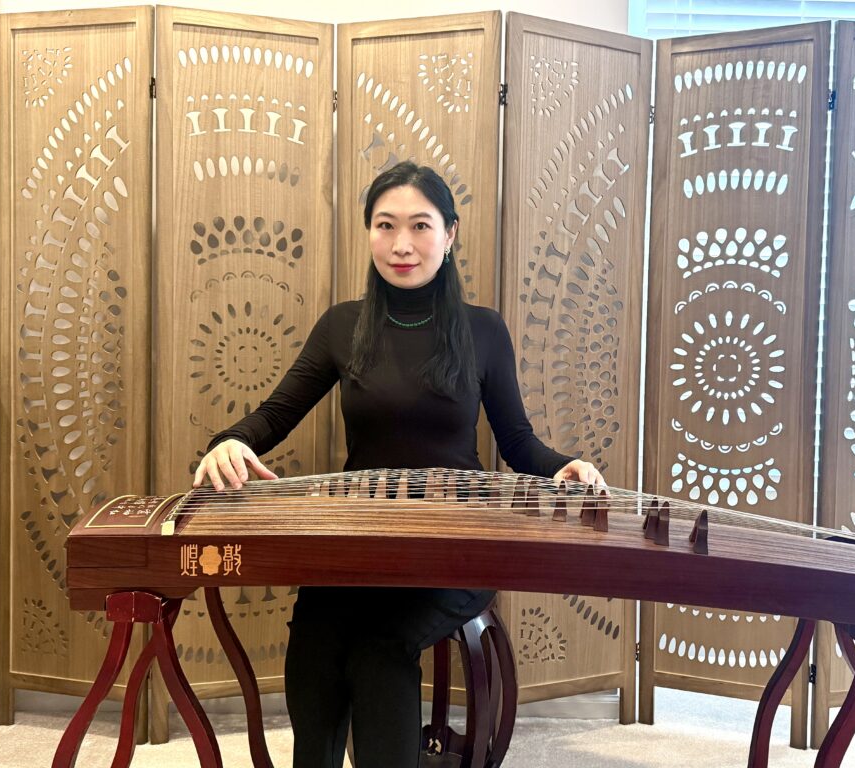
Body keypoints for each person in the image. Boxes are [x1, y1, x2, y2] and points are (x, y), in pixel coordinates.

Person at [193, 161, 605, 768]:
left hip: (457, 542)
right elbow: (275, 413)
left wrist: (564, 466)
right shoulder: (342, 326)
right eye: (385, 226)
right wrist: (229, 441)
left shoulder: (481, 330)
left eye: (420, 225)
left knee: (380, 645)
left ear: (450, 234)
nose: (402, 244)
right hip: (362, 540)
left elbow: (517, 444)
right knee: (316, 633)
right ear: (369, 234)